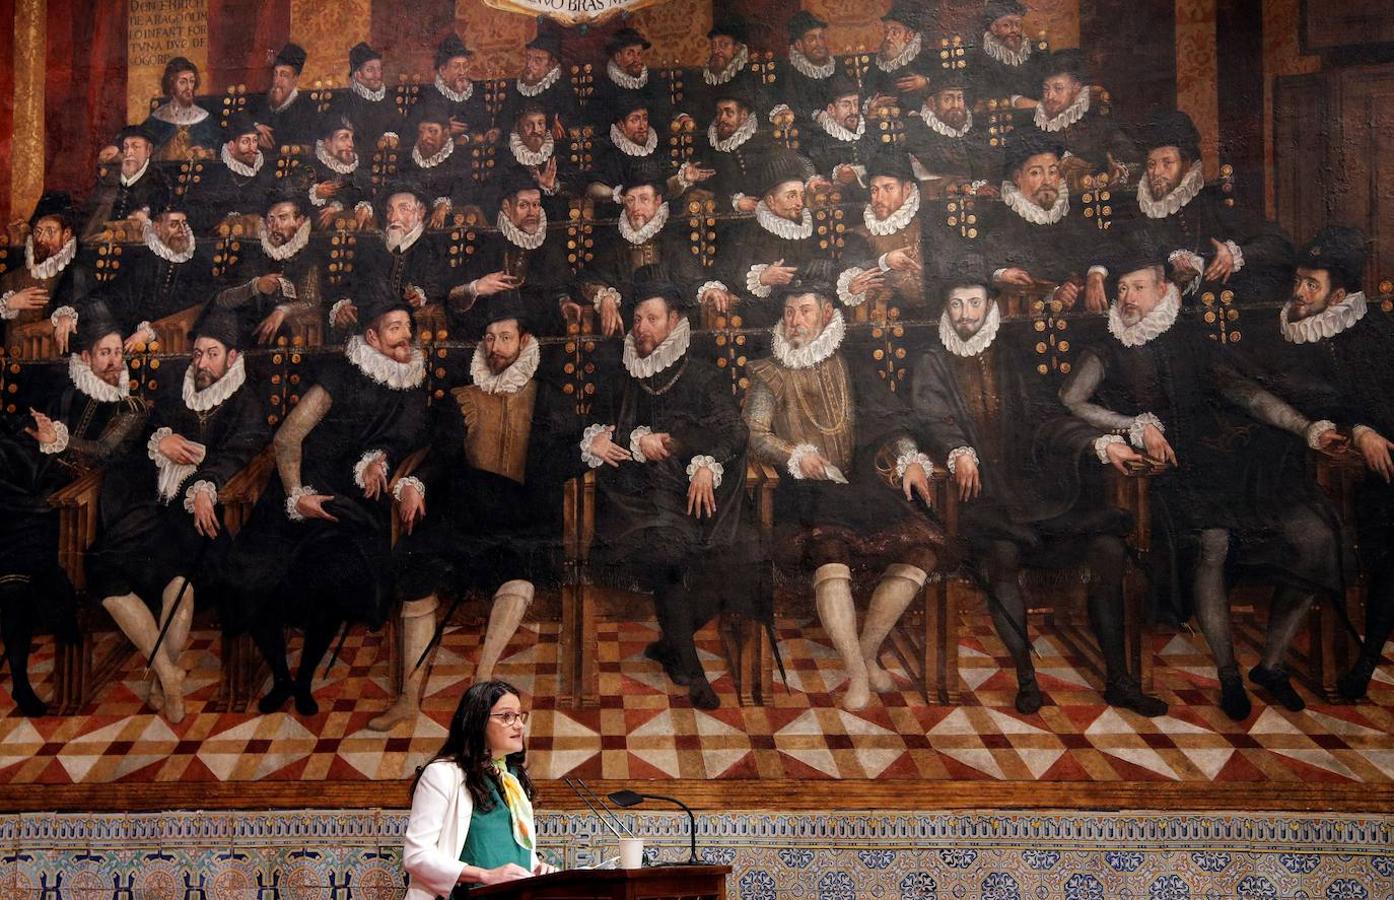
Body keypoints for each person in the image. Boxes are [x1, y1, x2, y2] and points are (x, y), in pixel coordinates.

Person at [1059, 238, 1347, 719]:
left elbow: (1244, 393)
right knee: (1213, 544)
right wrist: (1133, 424)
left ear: (1163, 288)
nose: (1128, 298)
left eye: (1138, 288)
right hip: (1171, 471)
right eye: (1122, 288)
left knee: (1316, 539)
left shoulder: (1192, 335)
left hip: (1232, 459)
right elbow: (1071, 399)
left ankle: (1271, 664)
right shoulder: (1108, 345)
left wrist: (1305, 428)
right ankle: (1229, 673)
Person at [910, 269, 1166, 716]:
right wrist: (958, 450)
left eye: (974, 303)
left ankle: (1119, 680)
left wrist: (1100, 444)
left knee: (1108, 548)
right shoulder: (932, 358)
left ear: (990, 306)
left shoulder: (1011, 352)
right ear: (945, 310)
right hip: (981, 501)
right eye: (956, 305)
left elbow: (1049, 416)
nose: (965, 314)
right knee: (1003, 557)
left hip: (1038, 493)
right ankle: (1027, 679)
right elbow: (929, 418)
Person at [222, 282, 427, 716]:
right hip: (299, 491)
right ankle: (279, 676)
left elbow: (406, 438)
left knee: (332, 577)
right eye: (394, 329)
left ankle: (304, 678)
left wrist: (380, 460)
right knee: (253, 576)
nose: (405, 336)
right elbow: (288, 438)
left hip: (349, 504)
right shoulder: (340, 373)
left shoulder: (412, 380)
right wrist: (297, 496)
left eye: (407, 327)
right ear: (372, 337)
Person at [374, 299, 578, 730]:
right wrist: (417, 483)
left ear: (524, 342)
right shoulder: (462, 398)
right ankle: (409, 694)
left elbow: (569, 454)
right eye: (489, 338)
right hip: (465, 509)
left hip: (522, 513)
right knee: (419, 559)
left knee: (520, 568)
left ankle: (483, 681)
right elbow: (442, 455)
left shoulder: (549, 398)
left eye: (505, 338)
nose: (496, 347)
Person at [744, 282, 943, 709]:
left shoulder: (850, 365)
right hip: (799, 494)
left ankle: (865, 653)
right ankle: (856, 674)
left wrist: (908, 457)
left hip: (856, 489)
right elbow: (756, 435)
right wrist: (794, 452)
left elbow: (891, 421)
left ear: (828, 315)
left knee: (921, 551)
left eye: (805, 311)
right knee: (830, 550)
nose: (795, 320)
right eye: (790, 312)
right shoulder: (767, 372)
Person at [580, 275, 758, 708]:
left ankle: (672, 646)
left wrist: (703, 462)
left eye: (652, 319)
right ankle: (693, 672)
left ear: (674, 322)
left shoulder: (699, 374)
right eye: (637, 319)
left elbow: (734, 430)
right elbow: (591, 424)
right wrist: (599, 439)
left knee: (739, 556)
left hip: (692, 490)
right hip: (633, 494)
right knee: (666, 552)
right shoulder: (619, 372)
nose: (641, 327)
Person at [87, 308, 266, 724]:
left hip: (203, 516)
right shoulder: (175, 390)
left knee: (182, 578)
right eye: (198, 353)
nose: (202, 364)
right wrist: (160, 439)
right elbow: (143, 434)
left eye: (212, 354)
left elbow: (242, 452)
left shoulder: (247, 403)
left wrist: (206, 485)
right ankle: (168, 672)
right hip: (155, 508)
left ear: (233, 358)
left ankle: (161, 676)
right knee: (101, 565)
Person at [1256, 227, 1394, 700]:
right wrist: (1359, 429)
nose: (1298, 292)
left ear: (1338, 294)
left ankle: (1366, 660)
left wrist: (1366, 427)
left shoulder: (1375, 332)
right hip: (1295, 464)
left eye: (1310, 285)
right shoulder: (1289, 329)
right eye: (1298, 280)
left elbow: (1372, 400)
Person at [0, 302, 144, 716]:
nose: (114, 361)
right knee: (13, 581)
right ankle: (22, 681)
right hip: (33, 495)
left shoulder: (129, 408)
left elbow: (103, 453)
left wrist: (58, 440)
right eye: (104, 353)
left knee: (22, 566)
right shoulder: (66, 391)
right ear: (85, 358)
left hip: (74, 510)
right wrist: (36, 437)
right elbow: (30, 431)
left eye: (118, 352)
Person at [403, 680, 554, 899]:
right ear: (478, 721)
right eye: (506, 716)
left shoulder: (512, 779)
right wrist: (485, 875)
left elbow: (510, 852)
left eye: (520, 715)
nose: (519, 725)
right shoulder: (443, 774)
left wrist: (537, 870)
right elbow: (416, 856)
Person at [140, 57, 221, 159]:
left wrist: (204, 153)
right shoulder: (157, 118)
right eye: (182, 82)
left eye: (191, 81)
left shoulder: (205, 118)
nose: (189, 88)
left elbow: (219, 149)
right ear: (171, 85)